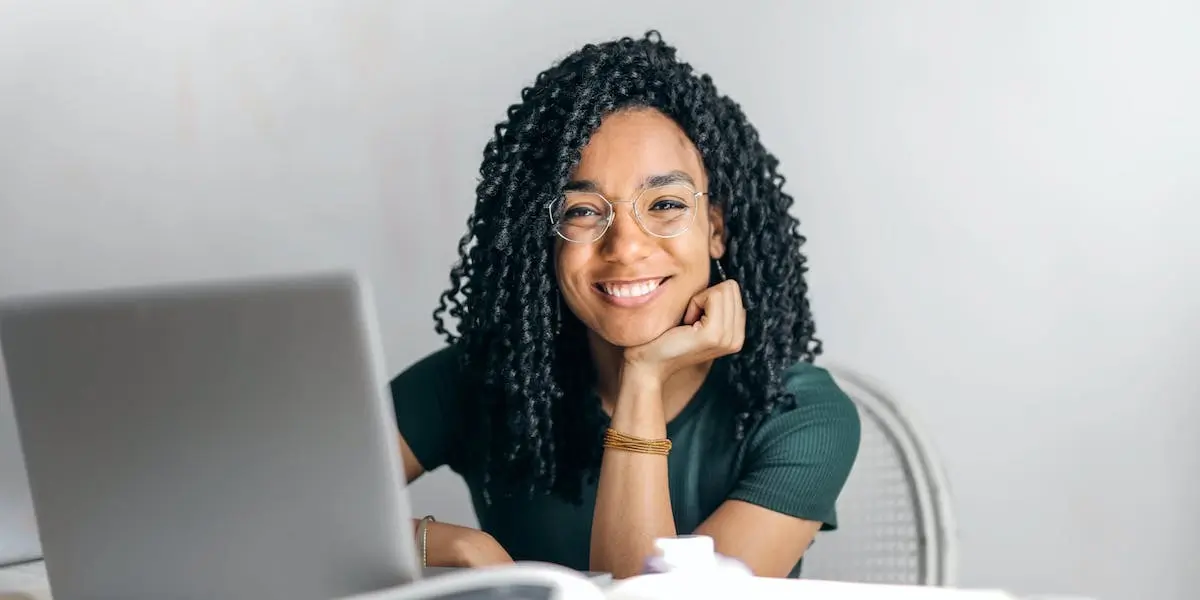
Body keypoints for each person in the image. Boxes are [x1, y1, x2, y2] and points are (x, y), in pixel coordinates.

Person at [390, 30, 861, 580]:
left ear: (716, 229)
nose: (627, 246)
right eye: (583, 211)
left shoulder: (798, 414)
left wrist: (643, 376)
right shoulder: (483, 379)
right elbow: (281, 506)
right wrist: (456, 547)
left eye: (664, 204)